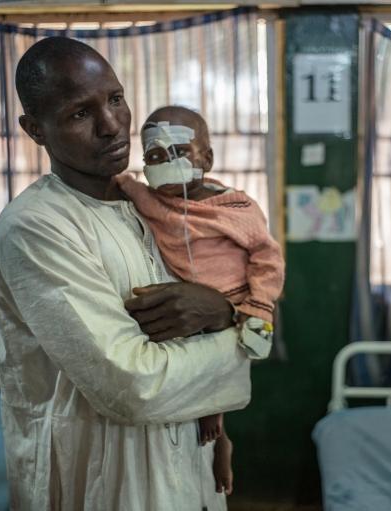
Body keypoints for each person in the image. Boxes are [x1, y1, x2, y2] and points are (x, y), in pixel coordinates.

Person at [0, 36, 270, 511]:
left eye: (115, 99)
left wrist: (216, 429)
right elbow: (131, 385)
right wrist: (238, 332)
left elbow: (203, 312)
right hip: (101, 475)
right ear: (34, 128)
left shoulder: (152, 206)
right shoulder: (35, 229)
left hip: (188, 451)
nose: (111, 126)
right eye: (79, 114)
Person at [112, 106, 285, 496]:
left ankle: (219, 431)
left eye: (179, 151)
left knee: (223, 359)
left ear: (206, 158)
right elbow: (130, 187)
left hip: (237, 300)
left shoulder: (234, 208)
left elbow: (266, 256)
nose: (165, 163)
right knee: (189, 356)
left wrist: (259, 306)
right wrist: (119, 181)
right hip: (184, 301)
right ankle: (218, 434)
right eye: (154, 156)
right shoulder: (153, 201)